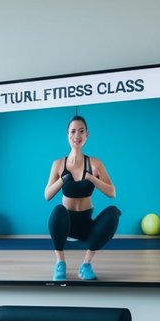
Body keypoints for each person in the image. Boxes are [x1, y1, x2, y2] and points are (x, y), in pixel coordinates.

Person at [43, 114, 121, 281]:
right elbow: (47, 195)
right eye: (73, 132)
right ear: (67, 135)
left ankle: (85, 265)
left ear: (87, 135)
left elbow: (112, 193)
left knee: (114, 212)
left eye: (81, 131)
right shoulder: (58, 164)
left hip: (86, 222)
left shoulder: (95, 163)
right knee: (57, 211)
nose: (76, 136)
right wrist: (63, 179)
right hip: (66, 222)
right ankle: (60, 263)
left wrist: (92, 178)